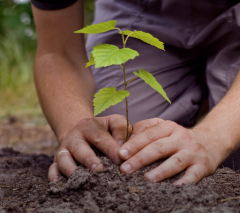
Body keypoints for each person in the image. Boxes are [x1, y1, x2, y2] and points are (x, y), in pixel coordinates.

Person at [31, 0, 240, 185]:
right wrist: (74, 127)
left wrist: (212, 137)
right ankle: (203, 85)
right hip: (141, 8)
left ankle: (211, 89)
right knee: (122, 138)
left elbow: (218, 140)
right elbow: (57, 51)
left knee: (231, 155)